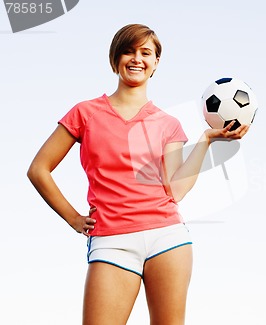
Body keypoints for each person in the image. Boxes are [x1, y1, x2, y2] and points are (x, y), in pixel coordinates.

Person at [27, 23, 248, 325]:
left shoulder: (167, 123)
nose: (137, 59)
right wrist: (73, 218)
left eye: (146, 53)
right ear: (115, 58)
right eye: (129, 51)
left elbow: (176, 191)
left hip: (167, 238)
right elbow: (39, 169)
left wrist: (206, 140)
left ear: (156, 63)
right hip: (111, 242)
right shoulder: (85, 113)